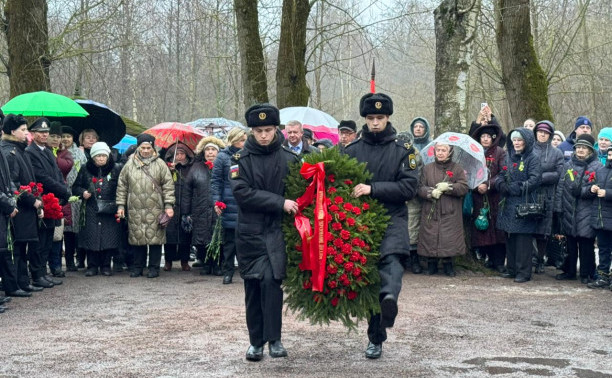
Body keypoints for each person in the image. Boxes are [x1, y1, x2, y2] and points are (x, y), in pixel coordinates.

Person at [345, 93, 418, 359]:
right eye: (371, 118)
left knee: (393, 261)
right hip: (359, 222)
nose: (375, 123)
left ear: (388, 118)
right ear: (365, 119)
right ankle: (375, 337)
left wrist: (372, 189)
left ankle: (390, 299)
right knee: (370, 280)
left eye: (380, 118)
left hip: (392, 216)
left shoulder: (403, 150)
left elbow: (409, 187)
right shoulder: (351, 150)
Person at [230, 104, 300, 361]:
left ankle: (275, 339)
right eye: (258, 130)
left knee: (272, 283)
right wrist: (279, 202)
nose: (263, 135)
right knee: (253, 287)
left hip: (278, 232)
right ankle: (255, 342)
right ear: (251, 131)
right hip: (250, 232)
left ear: (276, 129)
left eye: (268, 130)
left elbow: (300, 191)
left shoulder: (290, 159)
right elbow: (242, 194)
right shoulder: (240, 160)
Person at [116, 134, 175, 278]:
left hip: (155, 208)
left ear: (153, 148)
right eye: (143, 147)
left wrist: (168, 205)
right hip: (134, 208)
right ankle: (138, 267)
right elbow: (122, 186)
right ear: (138, 147)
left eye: (149, 147)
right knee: (137, 239)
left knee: (155, 239)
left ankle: (154, 267)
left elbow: (168, 186)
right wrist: (120, 206)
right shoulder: (129, 165)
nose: (146, 150)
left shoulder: (160, 164)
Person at [0, 115, 47, 291]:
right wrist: (31, 200)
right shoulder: (10, 152)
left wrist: (38, 201)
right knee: (18, 248)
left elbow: (29, 180)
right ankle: (16, 283)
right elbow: (13, 184)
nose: (26, 133)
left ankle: (23, 281)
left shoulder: (20, 150)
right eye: (23, 130)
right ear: (12, 131)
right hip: (18, 208)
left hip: (26, 207)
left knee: (23, 246)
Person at [25, 118, 70, 287]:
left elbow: (56, 173)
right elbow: (42, 176)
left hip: (53, 199)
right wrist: (62, 189)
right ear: (33, 134)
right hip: (43, 199)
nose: (44, 135)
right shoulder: (31, 152)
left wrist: (63, 189)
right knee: (40, 239)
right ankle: (37, 273)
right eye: (41, 132)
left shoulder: (47, 150)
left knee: (48, 238)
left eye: (46, 132)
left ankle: (43, 272)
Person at [495, 128, 542, 283]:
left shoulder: (533, 158)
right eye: (514, 140)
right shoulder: (509, 156)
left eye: (519, 140)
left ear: (526, 142)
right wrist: (501, 184)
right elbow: (502, 173)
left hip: (524, 203)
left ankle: (523, 272)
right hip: (508, 203)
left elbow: (535, 179)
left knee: (523, 240)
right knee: (510, 237)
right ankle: (512, 269)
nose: (516, 143)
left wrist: (520, 187)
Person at [554, 134, 602, 284]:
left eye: (584, 148)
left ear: (590, 150)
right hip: (569, 208)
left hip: (587, 210)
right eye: (578, 147)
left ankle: (587, 273)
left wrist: (581, 192)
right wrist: (558, 207)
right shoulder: (568, 164)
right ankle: (569, 271)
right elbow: (561, 187)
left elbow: (595, 188)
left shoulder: (597, 166)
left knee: (586, 242)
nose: (580, 150)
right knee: (570, 242)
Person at [417, 143, 469, 276]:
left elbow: (464, 187)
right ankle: (431, 264)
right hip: (431, 210)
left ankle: (448, 265)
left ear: (450, 152)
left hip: (450, 211)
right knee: (430, 236)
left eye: (443, 150)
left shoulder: (457, 169)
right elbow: (419, 187)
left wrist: (449, 187)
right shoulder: (427, 169)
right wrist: (430, 192)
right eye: (438, 150)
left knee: (449, 238)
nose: (440, 153)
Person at [72, 142, 122, 276]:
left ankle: (106, 266)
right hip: (91, 208)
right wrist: (83, 192)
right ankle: (92, 266)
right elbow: (75, 187)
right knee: (91, 237)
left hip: (109, 209)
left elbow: (121, 188)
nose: (101, 158)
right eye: (98, 156)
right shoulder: (85, 168)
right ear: (93, 157)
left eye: (103, 156)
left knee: (108, 237)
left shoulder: (115, 169)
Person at [468, 119, 507, 272]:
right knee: (481, 228)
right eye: (483, 136)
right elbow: (468, 171)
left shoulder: (499, 152)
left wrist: (488, 184)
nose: (485, 139)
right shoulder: (474, 153)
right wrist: (476, 185)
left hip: (495, 197)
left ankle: (498, 262)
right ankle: (487, 259)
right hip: (478, 196)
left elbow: (503, 173)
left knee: (497, 230)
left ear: (493, 138)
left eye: (488, 136)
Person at [211, 127, 248, 284]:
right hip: (228, 203)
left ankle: (245, 271)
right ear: (234, 140)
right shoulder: (222, 157)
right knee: (229, 243)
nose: (244, 143)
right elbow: (216, 181)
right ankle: (228, 271)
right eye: (242, 140)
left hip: (245, 203)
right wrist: (216, 201)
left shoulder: (248, 155)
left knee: (245, 242)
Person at [531, 121, 564, 273]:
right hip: (530, 193)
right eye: (540, 131)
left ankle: (540, 260)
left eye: (545, 132)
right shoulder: (529, 149)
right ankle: (530, 257)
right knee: (529, 227)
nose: (542, 134)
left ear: (550, 135)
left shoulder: (556, 153)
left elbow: (559, 173)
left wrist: (540, 177)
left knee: (543, 232)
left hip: (547, 195)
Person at [190, 136, 225, 275]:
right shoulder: (196, 167)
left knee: (219, 237)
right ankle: (205, 263)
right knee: (202, 237)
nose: (210, 153)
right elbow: (188, 189)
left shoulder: (224, 165)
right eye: (207, 150)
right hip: (201, 207)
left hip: (219, 207)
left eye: (213, 150)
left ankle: (217, 264)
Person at [0, 121, 25, 300]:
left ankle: (11, 285)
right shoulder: (8, 151)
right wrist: (8, 203)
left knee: (5, 249)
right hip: (4, 205)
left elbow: (7, 180)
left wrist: (10, 201)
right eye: (22, 130)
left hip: (5, 206)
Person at [46, 122, 73, 278]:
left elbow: (65, 167)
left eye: (58, 136)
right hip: (45, 195)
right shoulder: (42, 152)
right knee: (44, 234)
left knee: (57, 234)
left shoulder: (64, 153)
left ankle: (56, 265)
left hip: (60, 198)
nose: (56, 139)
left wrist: (55, 154)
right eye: (53, 136)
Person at [162, 142, 194, 272]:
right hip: (170, 204)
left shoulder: (191, 168)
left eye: (182, 154)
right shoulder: (166, 168)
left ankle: (184, 261)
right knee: (169, 234)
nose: (180, 156)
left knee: (185, 234)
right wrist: (169, 171)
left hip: (186, 204)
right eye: (177, 154)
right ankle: (168, 261)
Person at [61, 125, 87, 271]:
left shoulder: (79, 154)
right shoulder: (57, 152)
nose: (66, 139)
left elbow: (83, 172)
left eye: (68, 136)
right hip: (62, 193)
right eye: (63, 136)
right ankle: (69, 260)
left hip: (76, 195)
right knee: (66, 229)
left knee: (77, 228)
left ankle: (80, 259)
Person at [397, 131, 423, 274]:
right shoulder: (393, 154)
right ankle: (401, 260)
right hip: (396, 195)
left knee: (413, 230)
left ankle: (414, 260)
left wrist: (408, 190)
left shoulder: (415, 156)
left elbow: (417, 176)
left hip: (412, 198)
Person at [587, 147, 612, 289]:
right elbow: (591, 185)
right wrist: (592, 188)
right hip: (601, 217)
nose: (610, 156)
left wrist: (607, 193)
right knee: (603, 248)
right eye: (609, 154)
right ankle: (603, 276)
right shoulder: (601, 170)